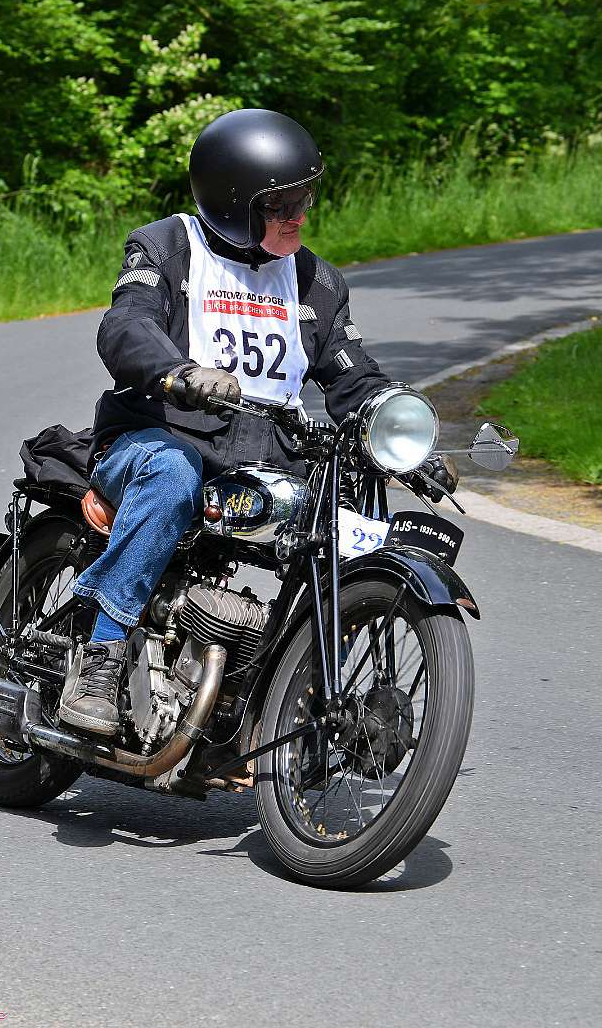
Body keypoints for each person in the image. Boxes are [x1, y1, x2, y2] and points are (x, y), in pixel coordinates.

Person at [60, 107, 457, 736]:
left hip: (263, 459)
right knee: (171, 475)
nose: (298, 216)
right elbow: (126, 325)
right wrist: (179, 372)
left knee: (350, 516)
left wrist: (400, 433)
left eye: (304, 199)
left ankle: (288, 697)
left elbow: (352, 375)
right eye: (281, 205)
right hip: (156, 438)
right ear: (232, 202)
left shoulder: (315, 282)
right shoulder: (168, 248)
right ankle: (102, 655)